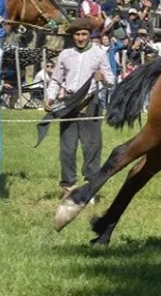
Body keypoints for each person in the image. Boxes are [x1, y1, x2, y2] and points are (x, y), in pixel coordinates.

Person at [44, 18, 114, 195]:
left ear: (89, 35)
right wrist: (50, 97)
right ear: (72, 36)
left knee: (91, 146)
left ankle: (90, 187)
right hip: (68, 102)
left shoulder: (99, 53)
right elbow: (56, 79)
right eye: (77, 34)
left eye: (84, 34)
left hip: (91, 102)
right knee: (67, 147)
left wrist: (103, 79)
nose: (81, 38)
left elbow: (111, 81)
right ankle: (68, 185)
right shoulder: (65, 54)